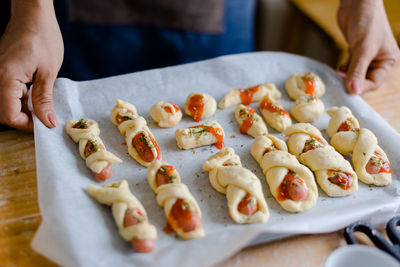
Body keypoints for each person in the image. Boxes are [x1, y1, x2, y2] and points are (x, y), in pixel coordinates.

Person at [0, 0, 399, 132]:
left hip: (210, 12)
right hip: (76, 14)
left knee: (221, 108)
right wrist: (32, 7)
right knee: (66, 118)